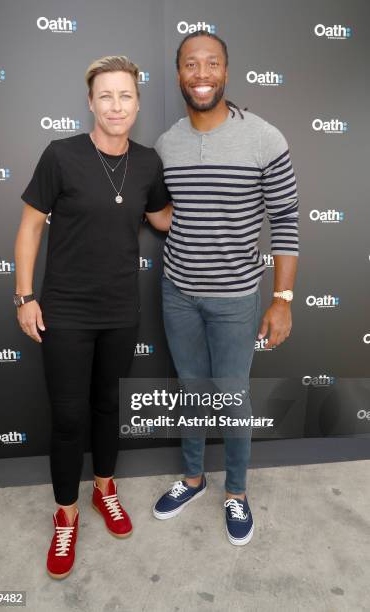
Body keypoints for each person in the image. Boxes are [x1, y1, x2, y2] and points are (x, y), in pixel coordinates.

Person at [14, 55, 172, 579]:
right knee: (67, 418)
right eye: (105, 95)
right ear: (90, 102)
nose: (116, 105)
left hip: (120, 311)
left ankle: (105, 487)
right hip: (64, 310)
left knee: (107, 406)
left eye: (125, 95)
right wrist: (24, 296)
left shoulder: (148, 162)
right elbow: (31, 227)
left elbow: (163, 218)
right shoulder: (61, 155)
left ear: (137, 102)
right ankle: (65, 514)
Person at [152, 31, 299, 546]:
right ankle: (194, 479)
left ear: (226, 72)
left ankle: (236, 492)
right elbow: (168, 215)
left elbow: (286, 219)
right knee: (192, 391)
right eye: (191, 64)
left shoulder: (264, 138)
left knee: (232, 398)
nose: (201, 73)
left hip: (236, 299)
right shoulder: (167, 143)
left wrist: (282, 300)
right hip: (177, 292)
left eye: (211, 63)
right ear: (179, 75)